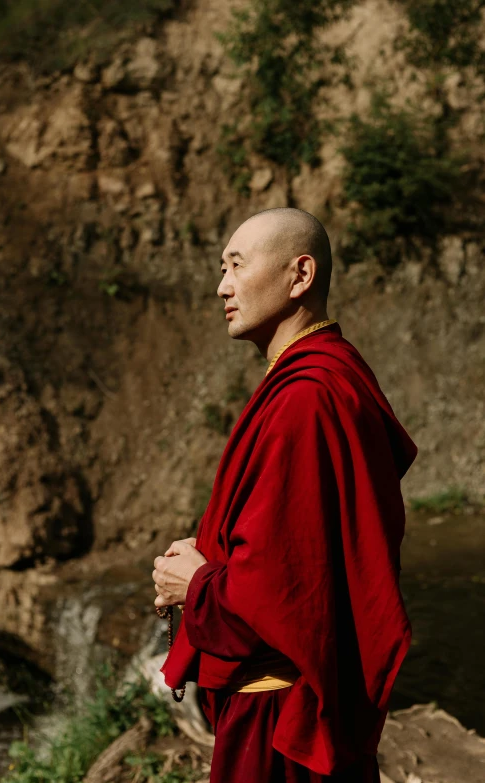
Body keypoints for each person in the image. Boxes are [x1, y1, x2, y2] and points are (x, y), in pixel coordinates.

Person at [152, 208, 417, 783]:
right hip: (283, 701)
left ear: (299, 276)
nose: (221, 285)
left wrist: (194, 585)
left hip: (280, 721)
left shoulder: (307, 398)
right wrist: (208, 551)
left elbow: (281, 593)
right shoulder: (326, 375)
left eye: (237, 265)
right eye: (221, 267)